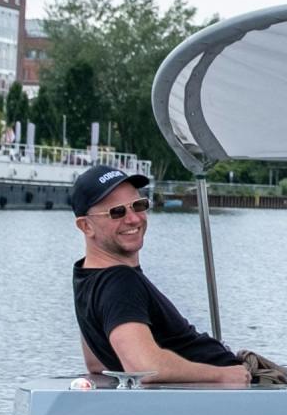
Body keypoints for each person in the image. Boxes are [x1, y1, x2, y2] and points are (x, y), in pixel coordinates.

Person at [71, 164, 249, 388]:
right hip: (228, 398)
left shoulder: (86, 277)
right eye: (117, 212)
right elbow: (142, 368)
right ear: (86, 226)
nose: (134, 219)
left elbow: (96, 363)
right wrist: (221, 375)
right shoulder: (120, 283)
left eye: (139, 205)